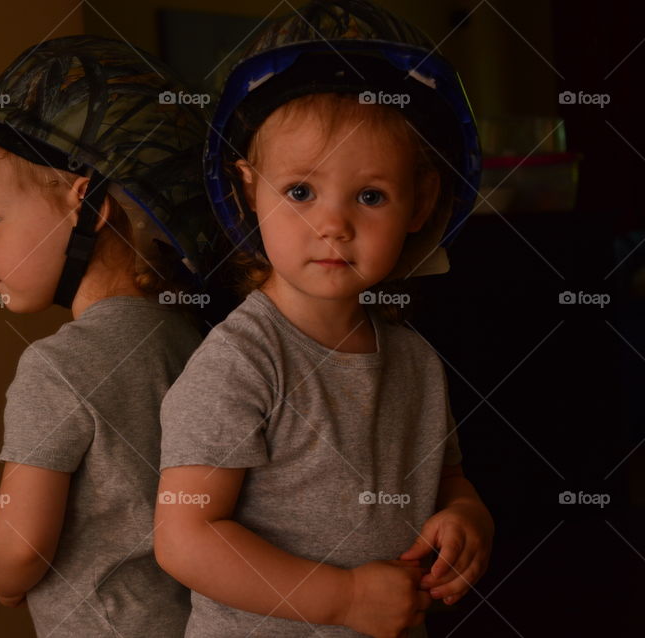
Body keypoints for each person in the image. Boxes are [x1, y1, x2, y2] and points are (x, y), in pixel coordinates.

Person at [154, 2, 494, 637]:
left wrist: (466, 515)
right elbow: (184, 537)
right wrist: (340, 599)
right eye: (301, 192)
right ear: (248, 190)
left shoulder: (415, 360)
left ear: (418, 204)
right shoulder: (241, 362)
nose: (333, 224)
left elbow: (447, 477)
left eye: (370, 195)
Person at [0, 34, 226, 637]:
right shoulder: (200, 341)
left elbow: (19, 549)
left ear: (83, 204)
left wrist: (0, 577)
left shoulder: (57, 368)